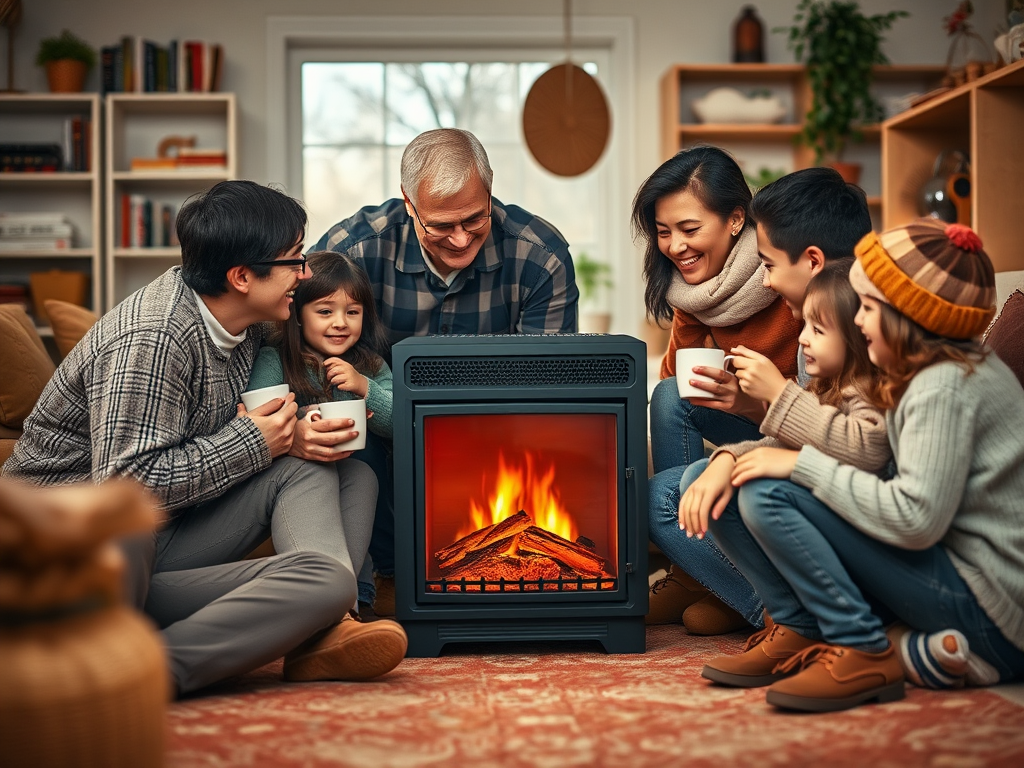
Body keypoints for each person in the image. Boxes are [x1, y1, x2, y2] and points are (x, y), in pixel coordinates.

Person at [2, 180, 408, 696]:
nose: (304, 275)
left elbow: (311, 345)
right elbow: (125, 487)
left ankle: (323, 634)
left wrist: (304, 428)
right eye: (294, 261)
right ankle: (141, 675)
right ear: (241, 276)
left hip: (168, 530)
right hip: (78, 558)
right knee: (327, 579)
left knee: (352, 473)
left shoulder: (241, 318)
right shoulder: (152, 339)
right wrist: (255, 441)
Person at [700, 219, 1024, 712]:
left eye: (869, 309)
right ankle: (913, 650)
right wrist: (741, 455)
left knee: (769, 493)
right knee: (752, 482)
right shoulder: (933, 371)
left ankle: (863, 649)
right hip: (966, 586)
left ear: (908, 318)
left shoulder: (944, 387)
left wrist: (798, 467)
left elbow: (915, 519)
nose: (859, 322)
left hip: (990, 611)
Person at [311, 127, 579, 615]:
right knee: (345, 421)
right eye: (439, 225)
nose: (460, 239)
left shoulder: (539, 255)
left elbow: (551, 383)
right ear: (408, 204)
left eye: (475, 219)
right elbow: (309, 360)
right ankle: (362, 598)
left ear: (491, 191)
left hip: (502, 430)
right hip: (379, 428)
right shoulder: (354, 250)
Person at [646, 166, 872, 634]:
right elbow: (678, 377)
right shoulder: (704, 286)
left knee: (676, 489)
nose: (674, 246)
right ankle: (698, 575)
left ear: (734, 220)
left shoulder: (830, 311)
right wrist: (745, 402)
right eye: (664, 233)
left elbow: (840, 434)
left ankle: (761, 603)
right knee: (671, 397)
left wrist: (764, 405)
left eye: (689, 229)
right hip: (787, 424)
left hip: (801, 436)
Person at [667, 260, 889, 642]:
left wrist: (777, 395)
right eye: (804, 327)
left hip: (862, 540)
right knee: (698, 476)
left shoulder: (871, 392)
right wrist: (727, 458)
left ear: (859, 336)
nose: (802, 341)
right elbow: (785, 441)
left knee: (757, 492)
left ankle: (784, 616)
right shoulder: (827, 385)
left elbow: (864, 448)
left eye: (817, 330)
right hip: (826, 517)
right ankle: (783, 618)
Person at [246, 251, 393, 608]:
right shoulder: (276, 358)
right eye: (325, 311)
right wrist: (300, 424)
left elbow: (402, 423)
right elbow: (264, 413)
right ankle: (342, 601)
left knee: (364, 474)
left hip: (360, 473)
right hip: (296, 475)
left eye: (352, 312)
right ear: (297, 315)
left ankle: (352, 599)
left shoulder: (369, 365)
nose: (340, 323)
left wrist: (365, 389)